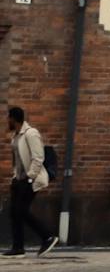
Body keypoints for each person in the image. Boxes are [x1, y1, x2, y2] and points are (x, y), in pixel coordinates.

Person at [8, 106, 58, 257]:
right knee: (14, 211)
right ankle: (18, 247)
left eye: (8, 118)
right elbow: (17, 161)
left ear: (13, 118)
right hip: (20, 179)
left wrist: (29, 177)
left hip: (32, 179)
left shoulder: (31, 134)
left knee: (21, 210)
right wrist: (15, 177)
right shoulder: (16, 136)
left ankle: (48, 237)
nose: (7, 121)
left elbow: (38, 158)